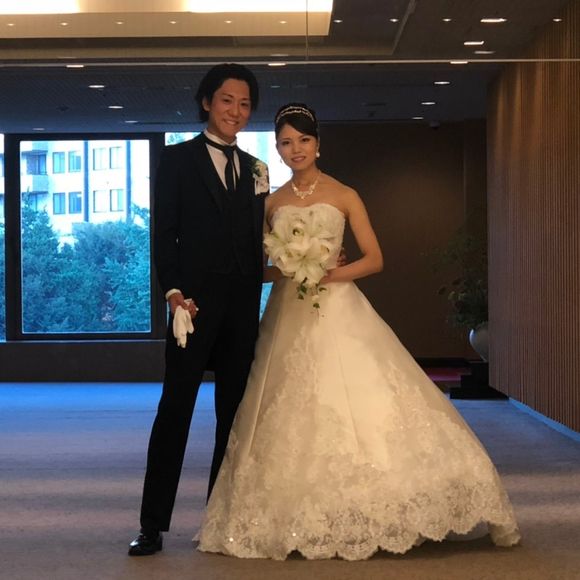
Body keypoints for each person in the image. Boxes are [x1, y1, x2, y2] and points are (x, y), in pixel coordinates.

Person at [197, 103, 521, 560]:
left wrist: (326, 272)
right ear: (277, 149)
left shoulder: (345, 194)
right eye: (286, 142)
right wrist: (287, 267)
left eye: (303, 140)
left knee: (363, 394)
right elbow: (260, 270)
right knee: (287, 401)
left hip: (339, 306)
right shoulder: (270, 204)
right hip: (288, 312)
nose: (295, 149)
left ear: (318, 144)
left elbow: (374, 258)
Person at [128, 63, 269, 556]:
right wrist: (173, 294)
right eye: (227, 100)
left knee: (234, 415)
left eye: (245, 103)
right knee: (175, 410)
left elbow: (261, 238)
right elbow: (164, 235)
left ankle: (220, 518)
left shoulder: (258, 168)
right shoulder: (176, 159)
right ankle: (151, 524)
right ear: (207, 102)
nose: (236, 110)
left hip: (243, 308)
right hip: (193, 306)